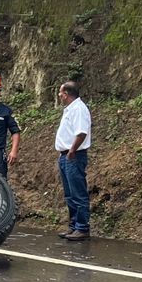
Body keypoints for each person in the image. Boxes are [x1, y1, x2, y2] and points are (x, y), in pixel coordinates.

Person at [53, 79, 92, 241]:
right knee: (70, 194)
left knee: (78, 193)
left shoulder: (79, 109)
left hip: (74, 155)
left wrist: (72, 151)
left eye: (61, 92)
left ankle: (82, 228)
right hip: (66, 155)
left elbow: (81, 132)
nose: (60, 95)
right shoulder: (70, 109)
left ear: (66, 94)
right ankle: (74, 226)